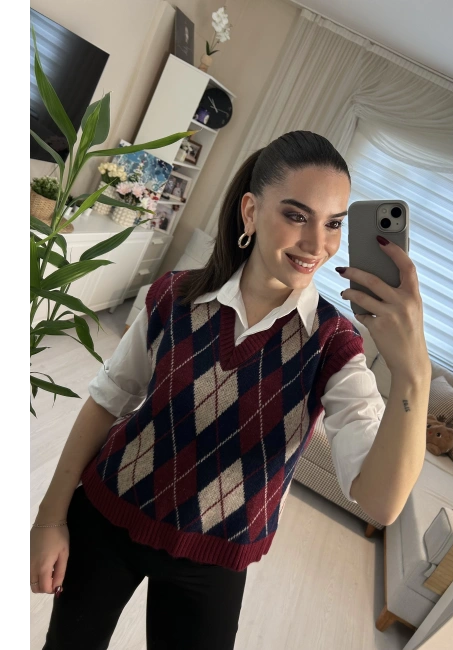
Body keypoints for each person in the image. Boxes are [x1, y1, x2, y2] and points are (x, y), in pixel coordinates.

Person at [30, 131, 431, 650]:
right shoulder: (173, 295)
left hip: (215, 558)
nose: (318, 245)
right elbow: (107, 400)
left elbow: (381, 503)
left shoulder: (333, 344)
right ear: (250, 211)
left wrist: (413, 373)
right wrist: (50, 518)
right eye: (297, 215)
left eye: (333, 223)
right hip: (107, 514)